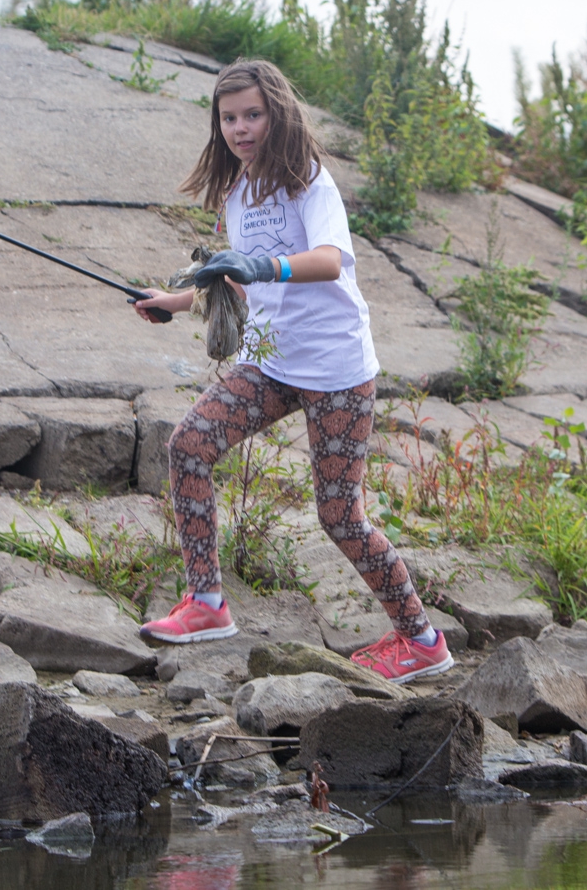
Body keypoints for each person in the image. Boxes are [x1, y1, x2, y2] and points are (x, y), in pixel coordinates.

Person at [130, 58, 452, 683]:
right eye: (229, 117)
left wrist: (266, 267)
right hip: (271, 361)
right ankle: (207, 604)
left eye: (252, 114)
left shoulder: (309, 181)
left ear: (277, 113)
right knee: (189, 446)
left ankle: (422, 640)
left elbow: (330, 261)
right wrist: (175, 301)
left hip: (336, 368)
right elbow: (241, 285)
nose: (241, 128)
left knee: (340, 514)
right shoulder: (237, 193)